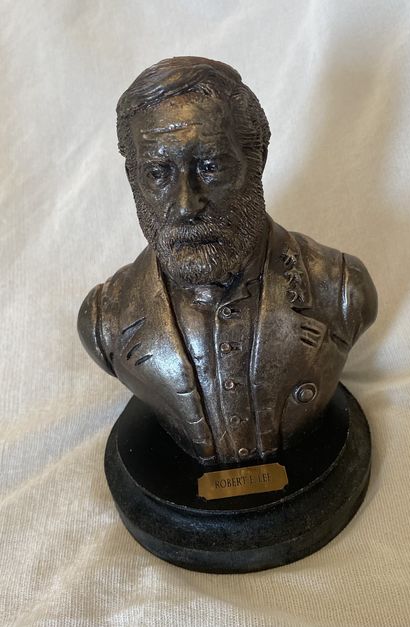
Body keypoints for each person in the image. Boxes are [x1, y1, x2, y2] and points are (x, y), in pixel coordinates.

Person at [78, 57, 377, 466]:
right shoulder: (106, 320)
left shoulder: (341, 289)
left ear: (257, 161)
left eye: (211, 166)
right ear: (134, 180)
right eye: (158, 173)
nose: (187, 205)